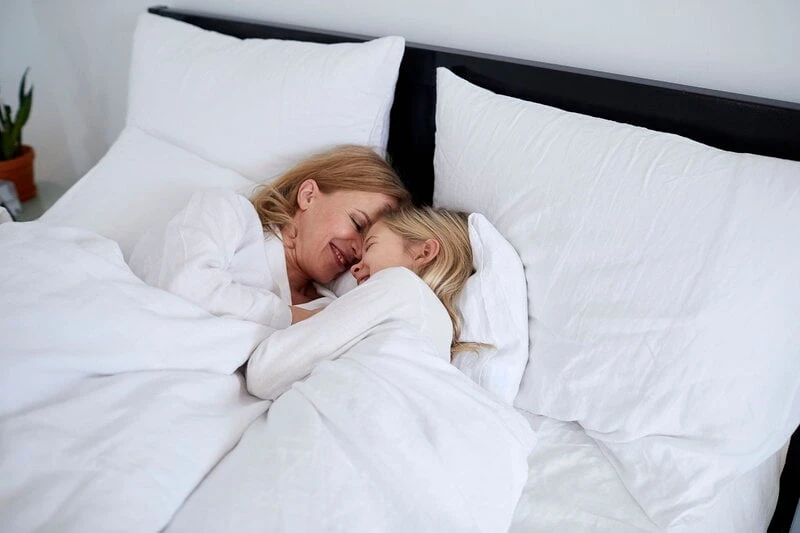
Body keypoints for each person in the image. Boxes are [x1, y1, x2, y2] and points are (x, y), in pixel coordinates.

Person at [128, 145, 411, 329]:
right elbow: (183, 283)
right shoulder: (230, 213)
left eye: (371, 242)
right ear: (308, 196)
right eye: (357, 223)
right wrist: (291, 317)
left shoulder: (329, 308)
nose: (359, 250)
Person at [246, 206, 480, 400]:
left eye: (370, 246)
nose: (354, 269)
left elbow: (265, 372)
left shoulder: (400, 284)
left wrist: (315, 316)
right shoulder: (437, 332)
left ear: (424, 252)